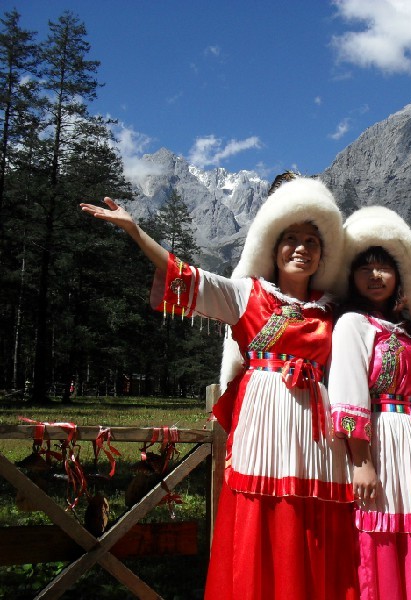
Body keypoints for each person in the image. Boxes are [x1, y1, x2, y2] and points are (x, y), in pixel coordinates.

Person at [81, 173, 358, 600]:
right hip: (265, 422)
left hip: (316, 432)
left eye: (311, 241)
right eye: (291, 239)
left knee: (313, 519)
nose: (301, 248)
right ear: (274, 246)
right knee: (260, 511)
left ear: (322, 255)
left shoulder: (333, 312)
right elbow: (185, 276)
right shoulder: (246, 294)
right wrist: (135, 231)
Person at [327, 206, 411, 600]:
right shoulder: (352, 325)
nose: (375, 275)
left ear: (399, 276)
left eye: (383, 267)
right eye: (365, 268)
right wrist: (362, 463)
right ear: (352, 277)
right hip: (375, 441)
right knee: (376, 530)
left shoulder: (410, 334)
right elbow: (348, 394)